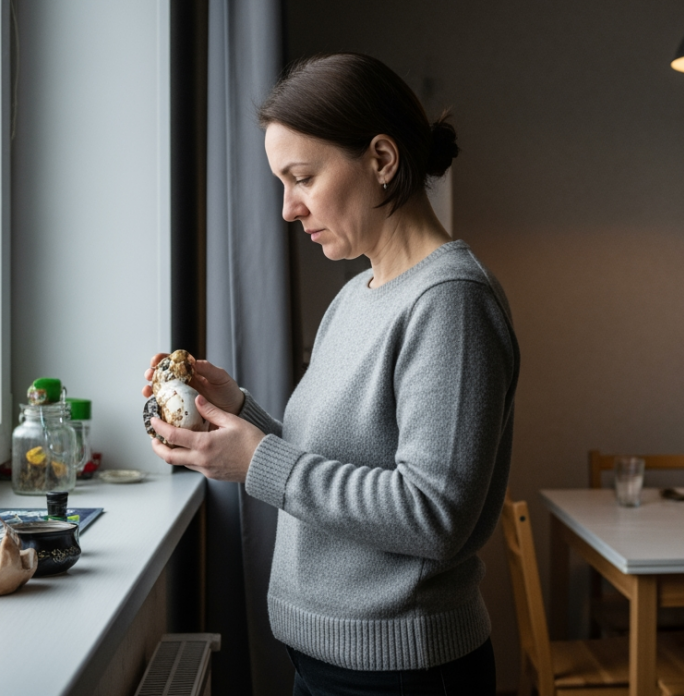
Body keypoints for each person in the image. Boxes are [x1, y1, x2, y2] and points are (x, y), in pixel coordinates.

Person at [141, 53, 518, 695]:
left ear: (380, 159)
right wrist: (239, 409)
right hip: (324, 657)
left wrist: (256, 460)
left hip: (403, 672)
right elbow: (340, 459)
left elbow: (432, 513)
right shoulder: (358, 293)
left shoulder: (450, 301)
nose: (288, 209)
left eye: (303, 178)